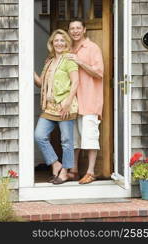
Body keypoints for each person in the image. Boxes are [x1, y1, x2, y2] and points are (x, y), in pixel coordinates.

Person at [34, 29, 79, 184]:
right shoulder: (49, 61)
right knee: (39, 136)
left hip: (65, 105)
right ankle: (55, 163)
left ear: (66, 43)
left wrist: (67, 102)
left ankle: (65, 171)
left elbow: (75, 82)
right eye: (56, 41)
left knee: (66, 140)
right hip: (49, 107)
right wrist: (27, 69)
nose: (59, 43)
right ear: (52, 43)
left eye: (62, 40)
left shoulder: (69, 60)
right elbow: (40, 83)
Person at [66, 18, 104, 184]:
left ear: (84, 30)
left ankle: (90, 172)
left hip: (89, 99)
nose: (75, 31)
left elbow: (99, 73)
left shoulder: (92, 48)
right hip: (72, 102)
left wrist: (80, 62)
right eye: (72, 28)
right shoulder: (69, 48)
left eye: (78, 28)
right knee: (74, 139)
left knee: (89, 138)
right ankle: (73, 170)